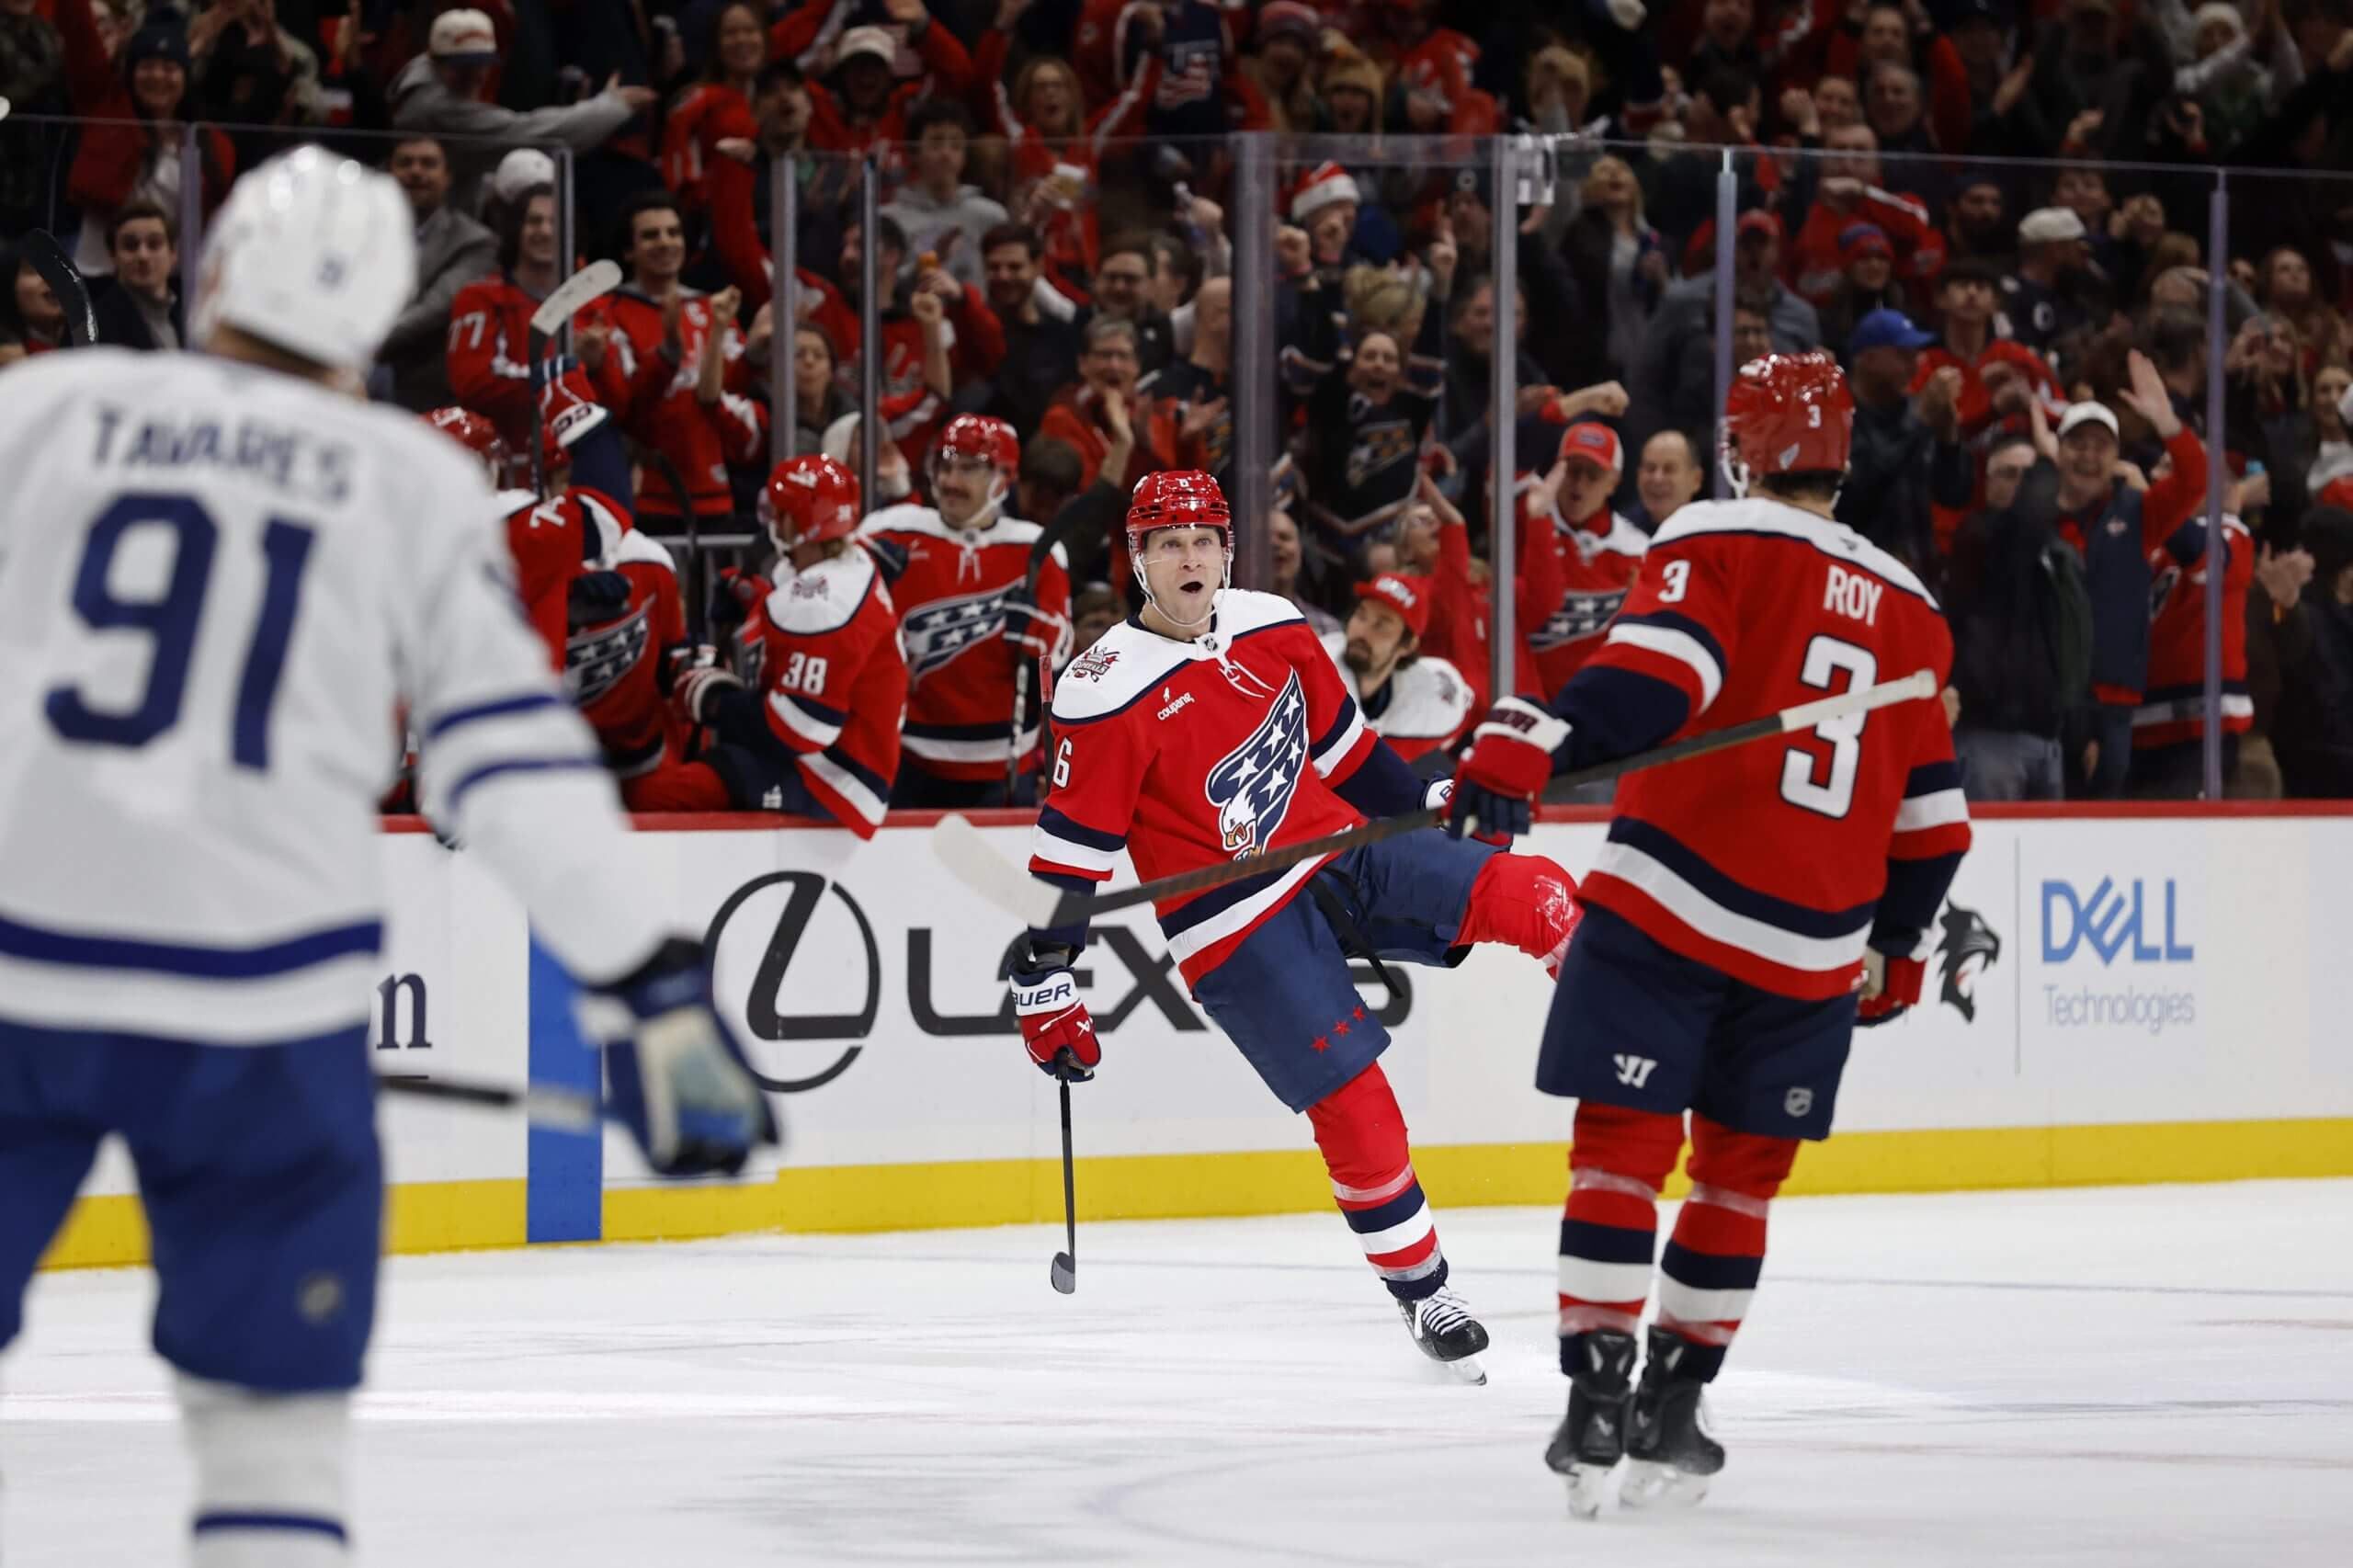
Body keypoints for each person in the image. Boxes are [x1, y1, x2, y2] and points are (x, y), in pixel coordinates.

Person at [0, 145, 773, 1568]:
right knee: (271, 1447)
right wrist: (654, 988)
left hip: (21, 974)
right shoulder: (404, 482)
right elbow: (510, 765)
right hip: (261, 1007)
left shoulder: (41, 413)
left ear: (214, 276)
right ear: (367, 326)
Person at [1441, 350, 1971, 1517]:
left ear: (1742, 450)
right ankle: (1674, 1406)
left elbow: (1661, 679)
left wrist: (1541, 737)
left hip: (1671, 904)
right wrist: (1894, 942)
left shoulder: (1715, 533)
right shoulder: (1915, 609)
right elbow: (1935, 823)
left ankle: (1595, 1397)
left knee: (1620, 1153)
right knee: (1739, 1182)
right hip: (1813, 949)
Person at [1010, 471, 1586, 1381]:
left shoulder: (1273, 624)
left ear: (1227, 549)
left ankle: (1623, 1022)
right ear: (1138, 560)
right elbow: (1073, 853)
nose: (1190, 557)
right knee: (1356, 1101)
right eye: (1168, 542)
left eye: (1204, 539)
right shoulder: (1101, 689)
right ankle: (1424, 1290)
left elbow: (1349, 756)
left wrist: (1424, 809)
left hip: (1338, 844)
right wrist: (1047, 968)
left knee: (1538, 892)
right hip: (1229, 916)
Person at [663, 455, 910, 831]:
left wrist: (713, 702)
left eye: (780, 513)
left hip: (835, 781)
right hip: (835, 760)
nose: (772, 523)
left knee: (664, 792)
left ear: (797, 522)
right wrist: (756, 601)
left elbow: (803, 728)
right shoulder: (845, 566)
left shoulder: (825, 603)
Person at [858, 414, 1073, 807]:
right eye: (945, 466)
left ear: (1003, 479)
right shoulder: (890, 533)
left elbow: (1057, 668)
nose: (950, 481)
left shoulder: (1037, 551)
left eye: (969, 469)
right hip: (905, 755)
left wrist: (1044, 644)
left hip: (1002, 760)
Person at [2043, 366, 2210, 798]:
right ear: (2058, 451)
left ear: (2116, 456)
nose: (2088, 456)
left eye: (2101, 446)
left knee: (2101, 814)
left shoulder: (2138, 510)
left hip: (2113, 699)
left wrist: (2168, 424)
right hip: (2045, 697)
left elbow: (2194, 480)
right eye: (2078, 443)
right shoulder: (2036, 517)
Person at [447, 178, 620, 489]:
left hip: (582, 474)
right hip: (506, 477)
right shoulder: (480, 298)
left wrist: (599, 367)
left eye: (555, 222)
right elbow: (474, 386)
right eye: (534, 221)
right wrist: (567, 371)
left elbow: (621, 401)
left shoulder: (596, 305)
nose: (545, 231)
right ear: (515, 229)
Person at [1527, 422, 1650, 700]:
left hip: (1600, 704)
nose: (1579, 484)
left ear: (1613, 482)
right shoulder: (1527, 527)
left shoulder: (1637, 550)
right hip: (1528, 700)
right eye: (1573, 470)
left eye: (1593, 474)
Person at [378, 136, 495, 413]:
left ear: (448, 177)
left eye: (428, 164)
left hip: (424, 390)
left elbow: (432, 311)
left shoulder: (473, 241)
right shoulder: (359, 229)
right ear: (389, 172)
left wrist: (356, 344)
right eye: (405, 163)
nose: (415, 171)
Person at [1323, 574, 1477, 764]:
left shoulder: (1426, 691)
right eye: (1361, 615)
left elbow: (1460, 708)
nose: (1362, 631)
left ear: (1408, 645)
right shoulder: (1315, 665)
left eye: (1381, 625)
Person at [92, 199, 183, 351]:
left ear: (173, 253)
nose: (143, 256)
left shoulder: (191, 318)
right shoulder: (94, 325)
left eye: (154, 244)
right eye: (130, 246)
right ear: (113, 256)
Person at [1631, 429, 1705, 534]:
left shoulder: (1710, 534)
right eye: (1650, 468)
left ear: (1696, 479)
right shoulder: (1617, 533)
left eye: (1669, 469)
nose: (1657, 478)